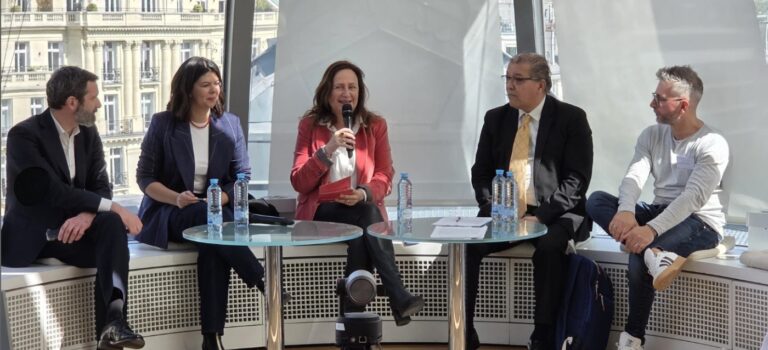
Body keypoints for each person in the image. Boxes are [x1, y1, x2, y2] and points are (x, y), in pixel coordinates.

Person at [1, 66, 145, 349]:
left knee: (112, 228)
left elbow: (101, 185)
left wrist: (88, 215)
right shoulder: (24, 136)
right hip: (37, 238)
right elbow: (52, 192)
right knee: (114, 227)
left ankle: (115, 321)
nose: (100, 104)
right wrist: (115, 207)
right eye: (93, 98)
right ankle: (112, 327)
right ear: (72, 102)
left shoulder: (88, 134)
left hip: (74, 231)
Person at [586, 65, 729, 350]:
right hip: (660, 210)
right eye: (655, 95)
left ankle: (632, 339)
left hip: (700, 221)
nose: (652, 103)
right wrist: (627, 211)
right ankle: (655, 255)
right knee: (597, 201)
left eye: (660, 99)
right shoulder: (651, 135)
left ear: (683, 105)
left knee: (638, 257)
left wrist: (650, 230)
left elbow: (692, 199)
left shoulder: (712, 143)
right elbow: (634, 176)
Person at [135, 57, 266, 350]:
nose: (214, 90)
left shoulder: (229, 124)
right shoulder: (163, 124)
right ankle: (259, 278)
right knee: (208, 220)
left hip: (214, 212)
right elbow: (144, 178)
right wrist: (176, 197)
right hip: (171, 211)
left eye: (217, 83)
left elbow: (242, 174)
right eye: (205, 84)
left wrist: (226, 195)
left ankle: (211, 338)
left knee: (212, 243)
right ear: (188, 89)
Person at [467, 53, 593, 350]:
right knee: (466, 246)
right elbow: (481, 173)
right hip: (505, 211)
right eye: (508, 78)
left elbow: (577, 180)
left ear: (541, 85)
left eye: (518, 79)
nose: (509, 85)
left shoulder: (571, 118)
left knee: (549, 249)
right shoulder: (495, 118)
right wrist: (494, 208)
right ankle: (465, 329)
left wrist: (541, 217)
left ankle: (542, 337)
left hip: (557, 212)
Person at [290, 60, 424, 325]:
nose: (346, 93)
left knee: (363, 226)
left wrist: (363, 192)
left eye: (352, 87)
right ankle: (397, 295)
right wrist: (328, 149)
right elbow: (299, 182)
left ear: (360, 92)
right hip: (321, 213)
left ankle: (352, 321)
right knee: (368, 216)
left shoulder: (375, 125)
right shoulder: (310, 125)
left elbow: (385, 175)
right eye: (339, 87)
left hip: (360, 211)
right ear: (327, 92)